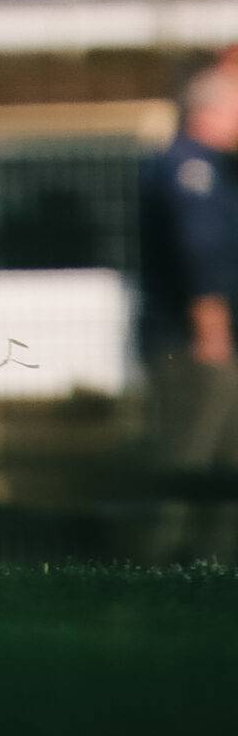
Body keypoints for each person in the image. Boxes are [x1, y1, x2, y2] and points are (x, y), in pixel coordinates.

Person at [138, 53, 238, 565]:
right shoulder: (191, 168)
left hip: (206, 338)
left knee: (223, 460)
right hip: (193, 341)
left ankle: (212, 564)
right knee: (188, 457)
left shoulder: (213, 167)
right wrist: (212, 328)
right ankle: (158, 560)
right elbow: (199, 253)